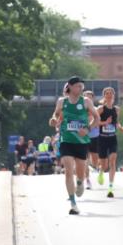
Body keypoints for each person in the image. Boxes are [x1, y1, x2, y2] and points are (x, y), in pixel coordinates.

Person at [48, 76, 100, 214]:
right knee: (69, 171)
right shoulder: (62, 101)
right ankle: (73, 203)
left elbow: (97, 118)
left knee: (80, 173)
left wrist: (88, 129)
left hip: (81, 142)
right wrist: (53, 120)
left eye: (82, 86)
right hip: (66, 140)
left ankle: (80, 182)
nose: (81, 89)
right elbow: (56, 115)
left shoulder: (86, 101)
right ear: (70, 87)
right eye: (78, 86)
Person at [96, 86, 123, 197]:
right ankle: (100, 172)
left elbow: (116, 122)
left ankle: (110, 187)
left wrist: (120, 127)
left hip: (112, 138)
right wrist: (104, 122)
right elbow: (95, 123)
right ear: (104, 96)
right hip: (102, 138)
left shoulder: (116, 109)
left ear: (113, 96)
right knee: (103, 165)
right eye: (107, 93)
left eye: (111, 93)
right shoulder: (100, 109)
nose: (109, 95)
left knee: (112, 161)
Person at [83, 91, 100, 190]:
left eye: (90, 98)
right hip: (84, 137)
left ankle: (94, 166)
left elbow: (98, 121)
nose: (88, 99)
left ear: (92, 99)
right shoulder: (81, 109)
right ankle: (87, 180)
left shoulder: (96, 110)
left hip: (94, 136)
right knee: (85, 159)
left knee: (94, 160)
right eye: (86, 97)